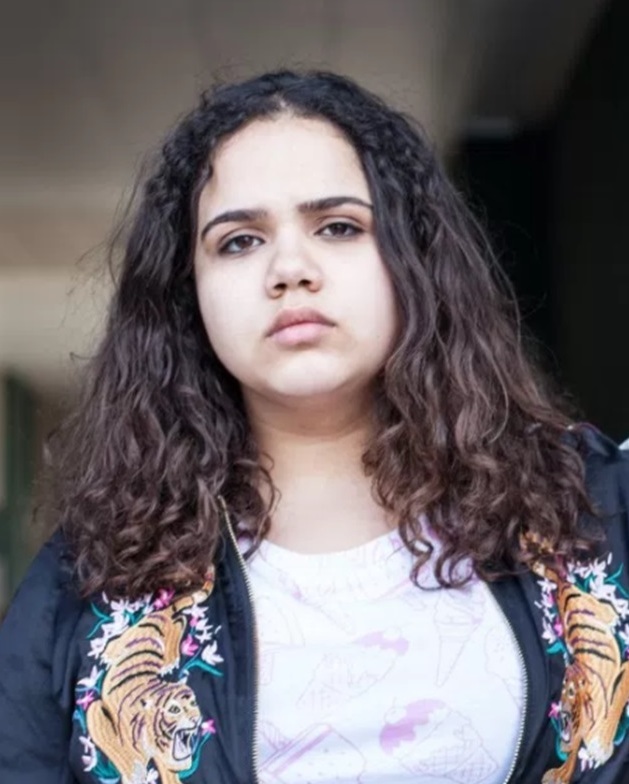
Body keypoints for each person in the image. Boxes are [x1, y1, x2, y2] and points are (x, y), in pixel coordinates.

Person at [0, 70, 628, 784]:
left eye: (338, 227)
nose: (289, 269)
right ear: (186, 292)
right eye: (239, 241)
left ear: (412, 256)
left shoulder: (588, 507)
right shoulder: (95, 573)